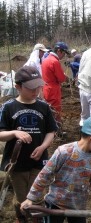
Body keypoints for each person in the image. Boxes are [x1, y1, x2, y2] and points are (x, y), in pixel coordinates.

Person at [20, 114, 91, 223]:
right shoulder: (64, 152)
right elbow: (45, 175)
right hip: (55, 204)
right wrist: (31, 198)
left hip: (78, 207)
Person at [0, 65, 57, 222]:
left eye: (38, 86)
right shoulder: (8, 107)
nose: (36, 91)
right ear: (18, 86)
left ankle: (35, 218)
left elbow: (50, 131)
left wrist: (43, 147)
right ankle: (21, 216)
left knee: (36, 194)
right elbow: (1, 134)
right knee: (22, 196)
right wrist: (14, 133)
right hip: (17, 162)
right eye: (31, 88)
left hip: (39, 160)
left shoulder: (43, 107)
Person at [41, 42, 69, 137]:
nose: (64, 55)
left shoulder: (46, 59)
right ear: (58, 51)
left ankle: (48, 130)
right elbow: (61, 78)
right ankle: (57, 132)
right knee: (56, 111)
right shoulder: (54, 61)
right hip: (53, 89)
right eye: (63, 53)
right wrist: (65, 77)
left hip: (46, 88)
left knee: (48, 110)